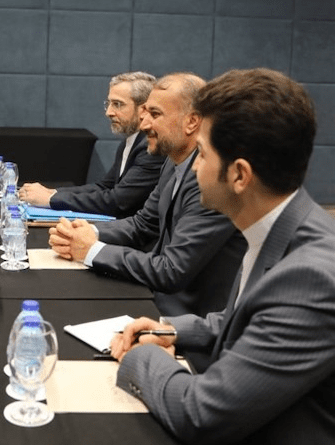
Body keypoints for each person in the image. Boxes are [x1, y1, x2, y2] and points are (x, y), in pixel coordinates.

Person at [110, 68, 335, 444]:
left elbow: (201, 415)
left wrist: (137, 359)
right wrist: (173, 330)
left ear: (240, 175)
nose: (193, 166)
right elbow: (251, 317)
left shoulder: (310, 278)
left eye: (201, 153)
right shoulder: (282, 225)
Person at [49, 73, 246, 318]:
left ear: (192, 122)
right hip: (156, 297)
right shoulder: (172, 162)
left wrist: (91, 249)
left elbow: (171, 270)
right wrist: (89, 232)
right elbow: (143, 223)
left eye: (155, 114)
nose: (143, 125)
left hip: (188, 320)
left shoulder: (210, 179)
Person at [20, 71, 165, 218]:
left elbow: (118, 201)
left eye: (117, 104)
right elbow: (104, 187)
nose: (109, 112)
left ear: (144, 109)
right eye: (108, 104)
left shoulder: (150, 148)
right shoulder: (130, 142)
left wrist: (51, 200)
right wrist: (52, 192)